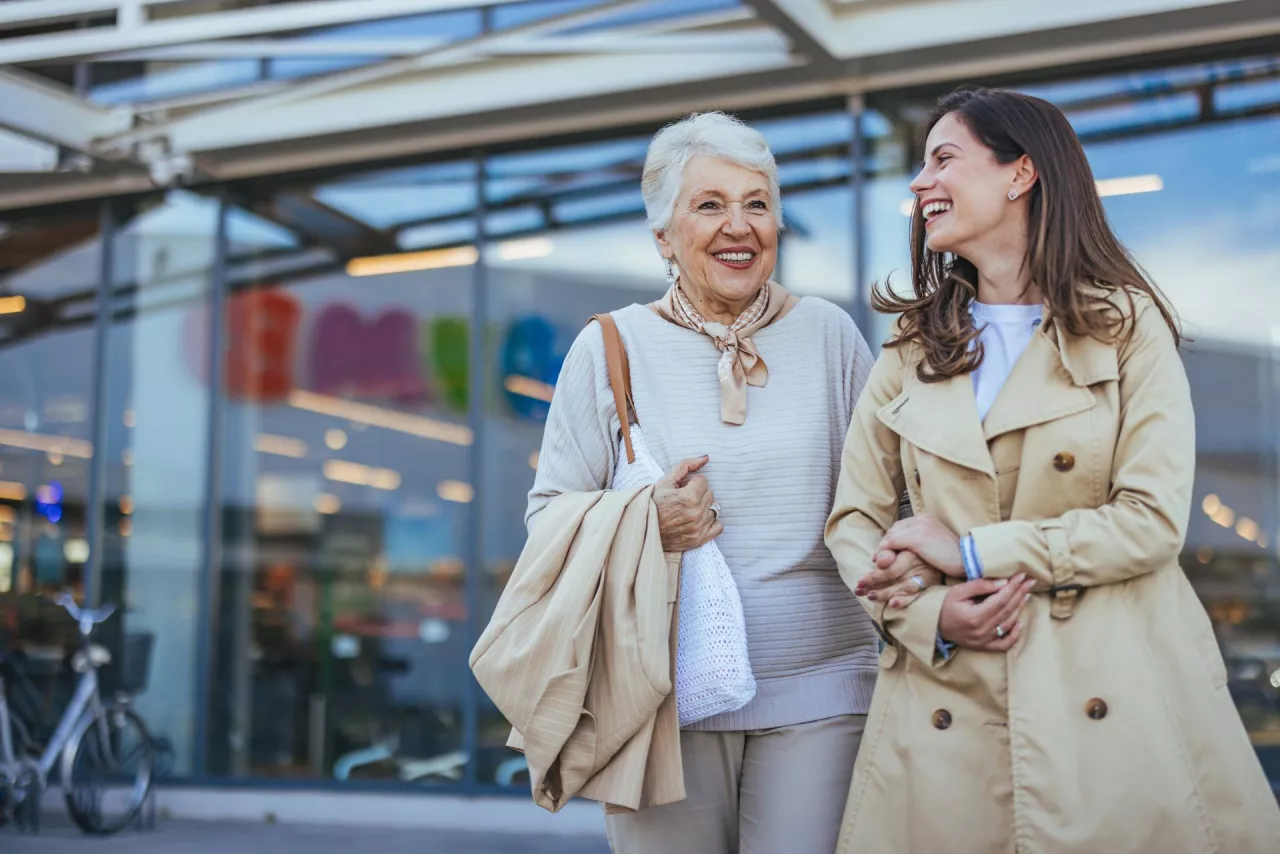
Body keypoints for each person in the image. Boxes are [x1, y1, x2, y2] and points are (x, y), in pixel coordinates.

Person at [825, 86, 1280, 853]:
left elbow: (1151, 522)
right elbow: (854, 523)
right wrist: (931, 616)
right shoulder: (909, 350)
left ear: (1021, 172)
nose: (919, 181)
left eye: (943, 158)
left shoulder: (1126, 328)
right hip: (948, 710)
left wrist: (972, 553)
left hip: (1112, 702)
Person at [527, 111, 879, 854]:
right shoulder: (609, 347)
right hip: (658, 696)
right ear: (664, 235)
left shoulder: (830, 335)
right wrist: (645, 520)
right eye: (710, 205)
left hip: (823, 687)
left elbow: (889, 498)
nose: (738, 226)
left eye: (757, 203)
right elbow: (547, 518)